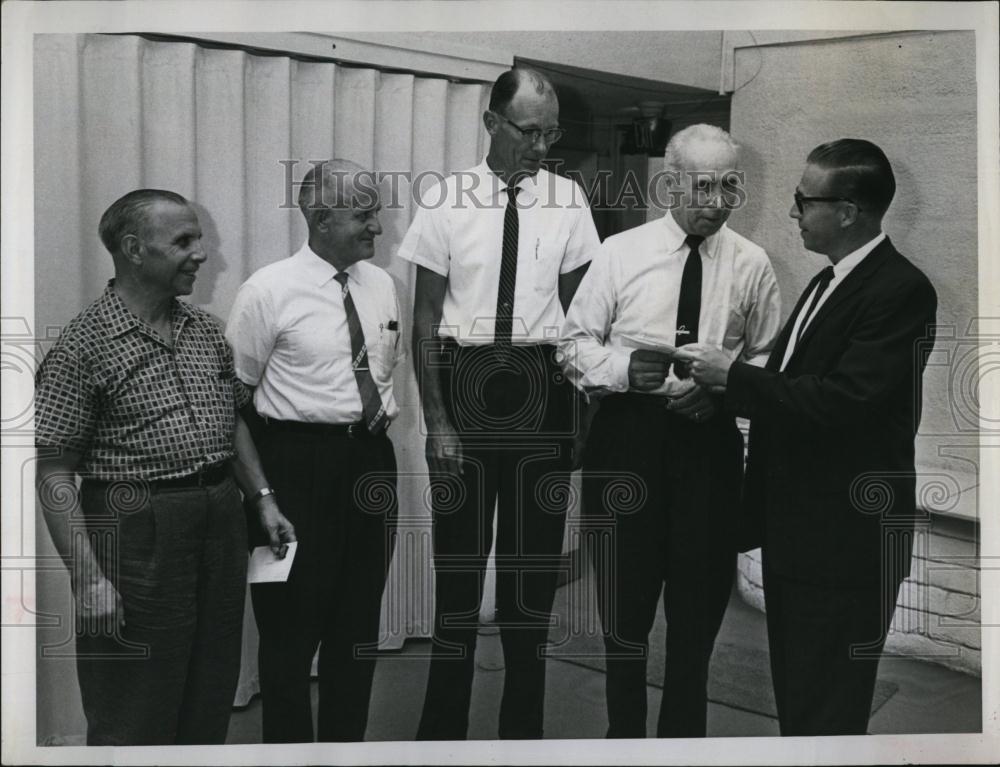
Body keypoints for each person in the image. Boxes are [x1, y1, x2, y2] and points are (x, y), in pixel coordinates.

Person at [675, 138, 937, 735]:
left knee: (828, 708)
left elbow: (846, 403)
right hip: (803, 534)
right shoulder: (830, 283)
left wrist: (730, 375)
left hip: (846, 542)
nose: (794, 212)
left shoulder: (900, 289)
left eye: (803, 200)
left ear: (848, 211)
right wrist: (721, 386)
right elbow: (797, 386)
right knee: (800, 700)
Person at [34, 189, 295, 745]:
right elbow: (54, 472)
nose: (201, 253)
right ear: (133, 249)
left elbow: (233, 420)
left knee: (210, 683)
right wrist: (87, 579)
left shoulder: (204, 331)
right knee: (134, 698)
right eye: (183, 241)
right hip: (136, 525)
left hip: (219, 517)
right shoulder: (84, 345)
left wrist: (263, 499)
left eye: (199, 238)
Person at [397, 66, 601, 740]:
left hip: (542, 391)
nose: (542, 146)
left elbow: (583, 314)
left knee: (530, 584)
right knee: (458, 583)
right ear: (492, 124)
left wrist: (584, 407)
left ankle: (523, 737)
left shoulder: (569, 198)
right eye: (529, 131)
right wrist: (438, 423)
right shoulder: (446, 199)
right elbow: (426, 314)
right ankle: (439, 738)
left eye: (552, 133)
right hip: (466, 383)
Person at [560, 124, 782, 737]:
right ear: (668, 185)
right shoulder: (619, 252)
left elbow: (766, 359)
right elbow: (572, 348)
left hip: (708, 450)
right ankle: (623, 740)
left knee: (696, 617)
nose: (717, 202)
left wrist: (725, 392)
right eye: (703, 186)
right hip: (627, 442)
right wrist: (626, 368)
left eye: (729, 186)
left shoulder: (753, 263)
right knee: (624, 616)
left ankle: (683, 744)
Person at [225, 159, 400, 743]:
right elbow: (231, 407)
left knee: (357, 630)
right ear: (320, 219)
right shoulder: (266, 290)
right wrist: (263, 496)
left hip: (370, 463)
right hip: (293, 469)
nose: (377, 226)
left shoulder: (381, 285)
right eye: (364, 214)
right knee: (289, 637)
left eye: (376, 212)